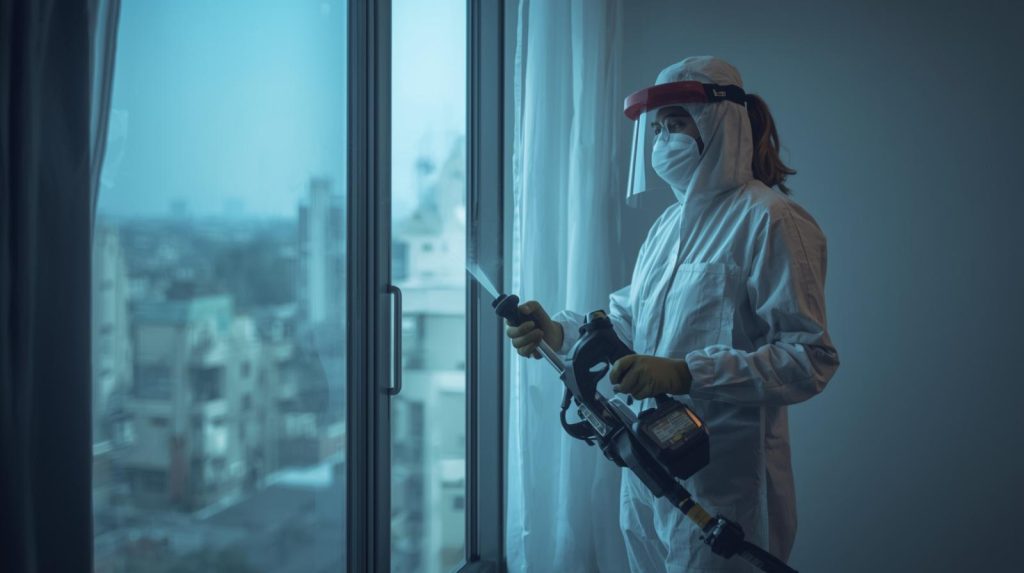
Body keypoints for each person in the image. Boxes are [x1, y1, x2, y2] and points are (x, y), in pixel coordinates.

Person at [505, 56, 839, 572]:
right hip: (650, 473)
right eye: (657, 128)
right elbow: (626, 320)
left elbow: (809, 359)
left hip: (729, 488)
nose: (663, 140)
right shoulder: (666, 228)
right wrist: (559, 332)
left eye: (676, 124)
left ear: (719, 123)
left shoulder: (771, 220)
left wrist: (687, 373)